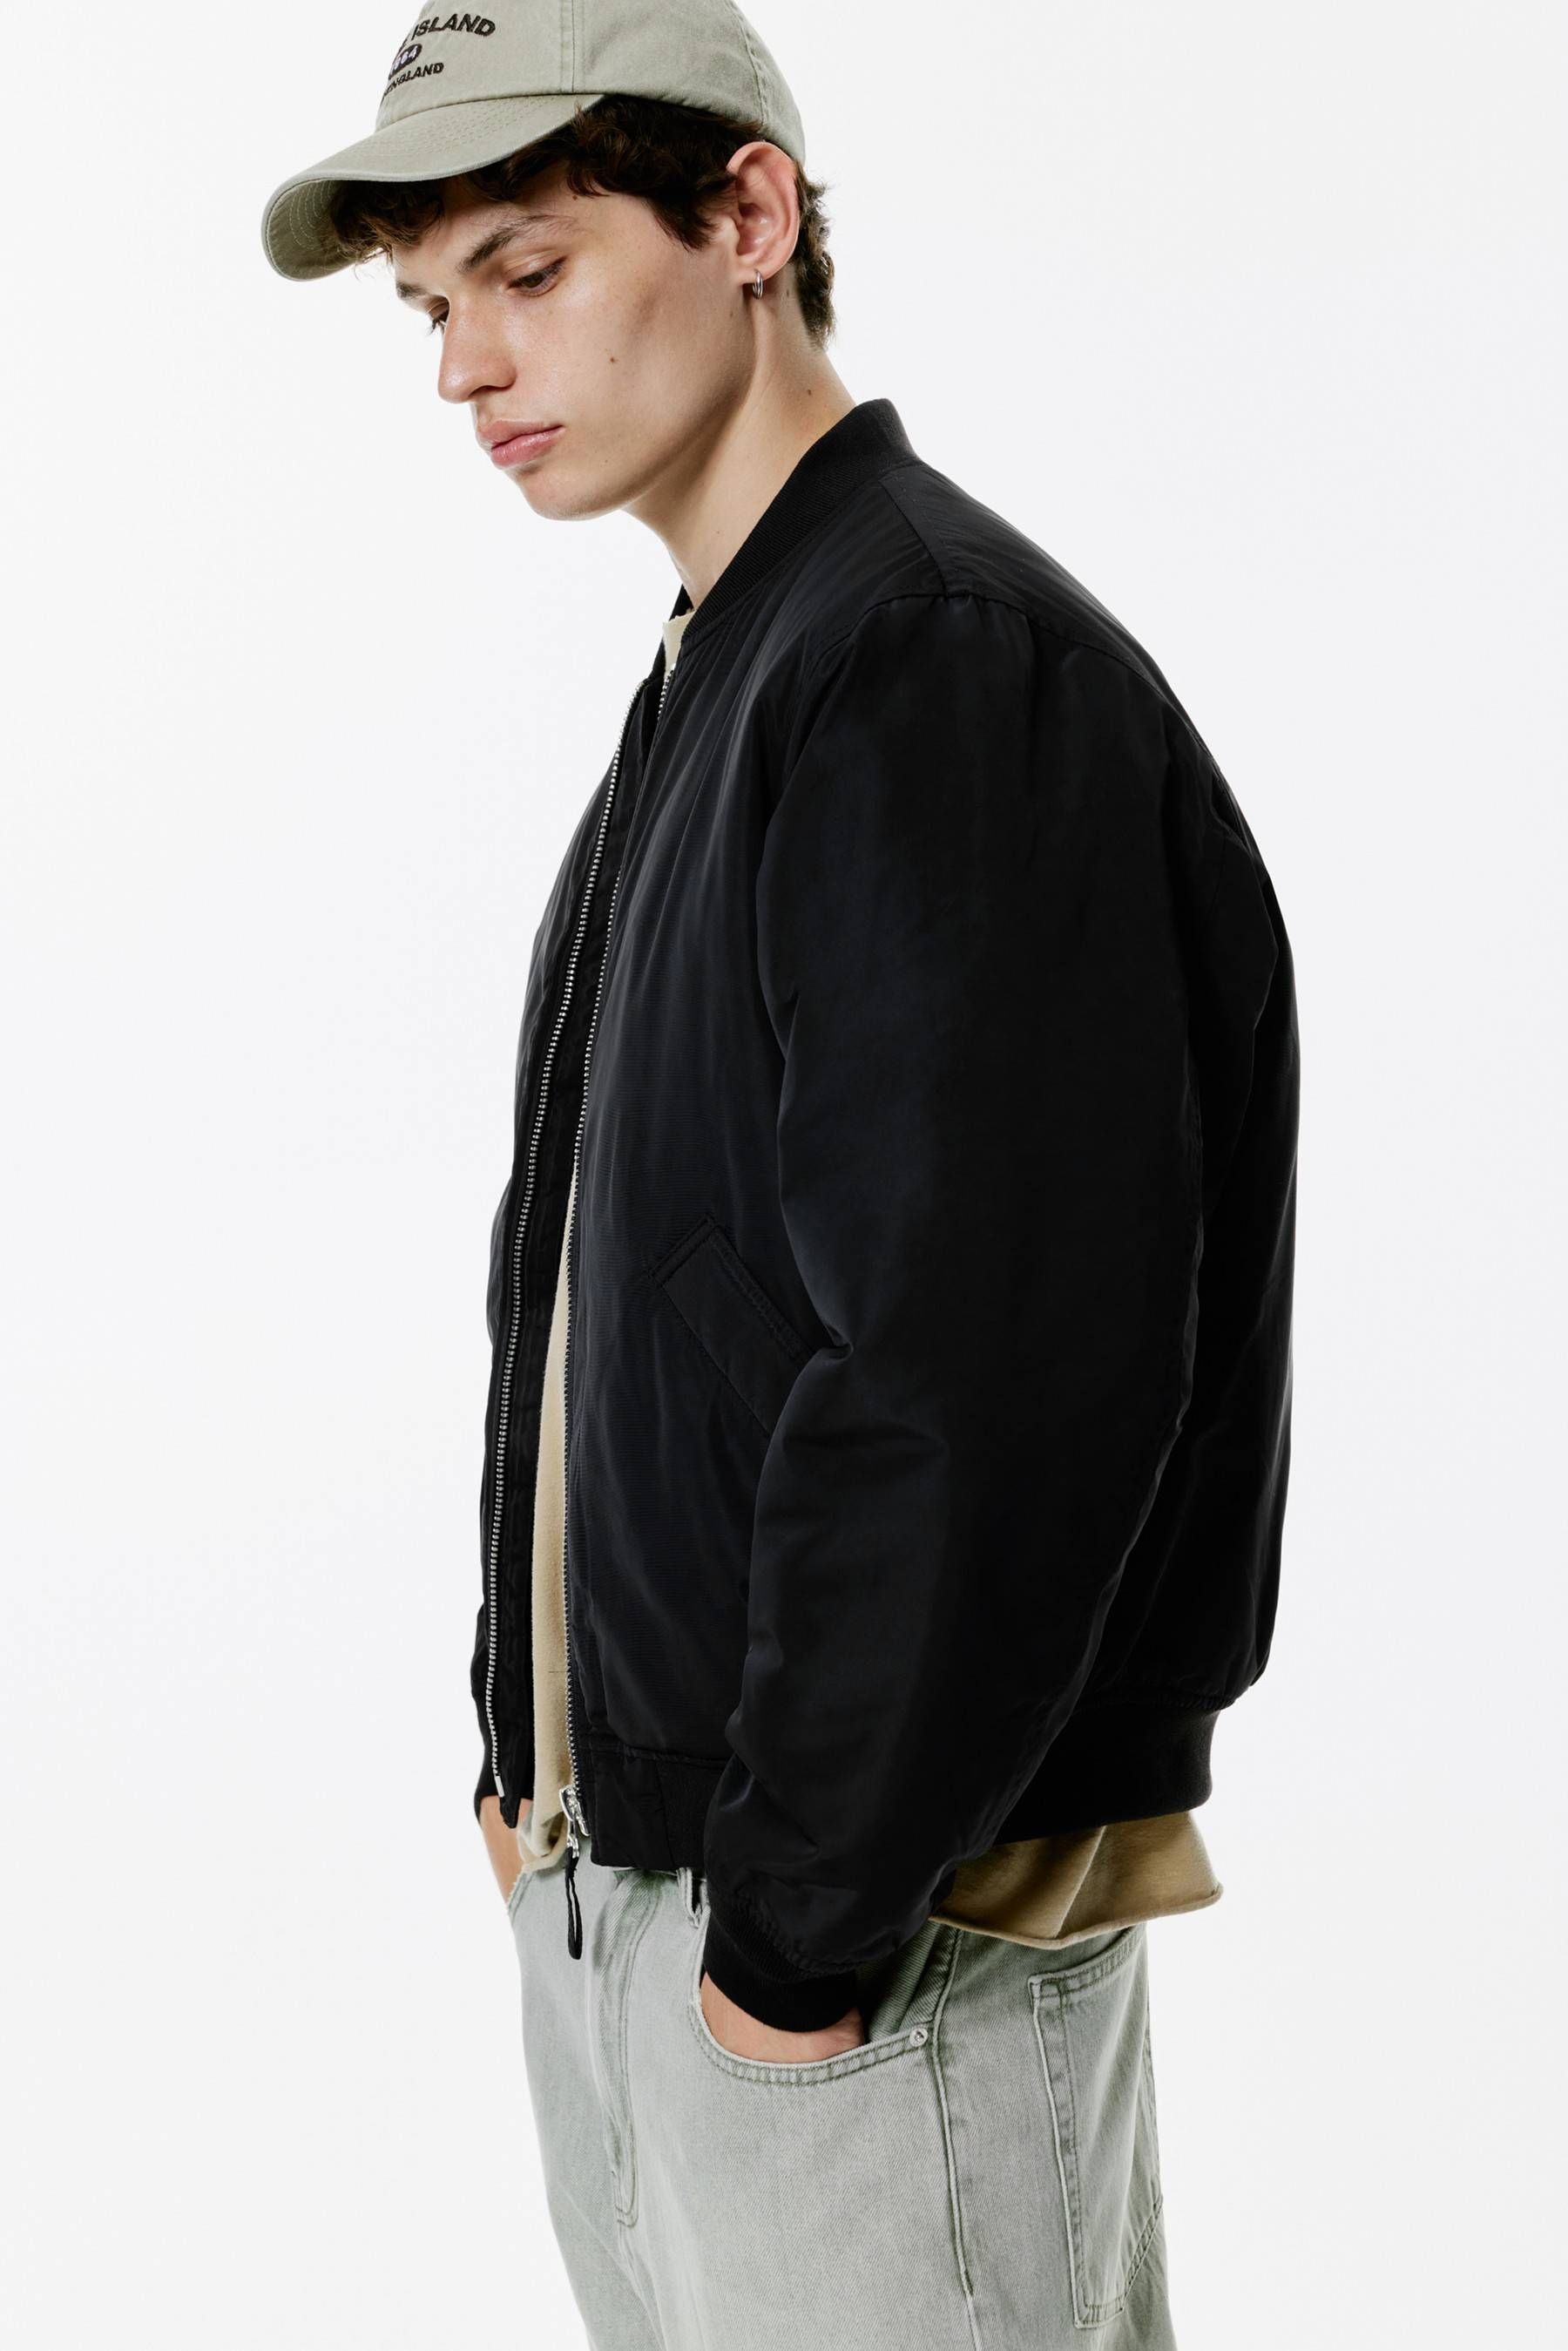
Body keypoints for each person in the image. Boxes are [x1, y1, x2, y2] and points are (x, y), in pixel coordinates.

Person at [260, 6, 1299, 2344]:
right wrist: (541, 1766)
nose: (465, 367)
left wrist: (799, 1932)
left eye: (528, 269)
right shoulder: (740, 670)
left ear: (749, 216)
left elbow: (984, 1366)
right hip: (659, 1895)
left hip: (855, 1950)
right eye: (432, 308)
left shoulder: (929, 666)